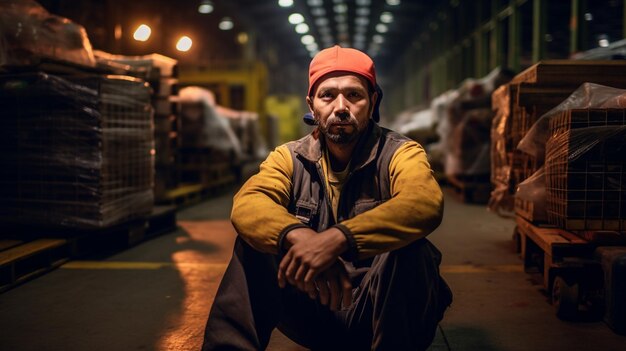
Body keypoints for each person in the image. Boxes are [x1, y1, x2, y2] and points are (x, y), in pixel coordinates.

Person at [202, 45, 452, 351]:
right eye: (328, 95)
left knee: (413, 250)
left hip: (381, 315)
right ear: (312, 104)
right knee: (254, 245)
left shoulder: (401, 153)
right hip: (313, 305)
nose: (341, 106)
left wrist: (337, 239)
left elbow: (423, 202)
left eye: (355, 95)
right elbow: (250, 202)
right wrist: (299, 238)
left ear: (372, 102)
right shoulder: (288, 158)